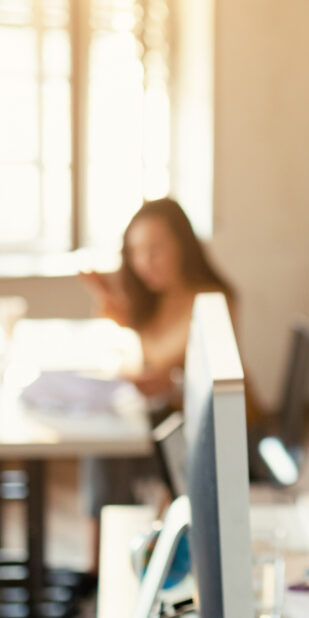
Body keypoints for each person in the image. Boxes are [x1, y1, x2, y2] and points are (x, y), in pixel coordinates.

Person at [78, 198, 250, 585]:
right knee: (104, 446)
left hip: (214, 436)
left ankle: (105, 571)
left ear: (183, 246)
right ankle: (101, 568)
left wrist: (164, 380)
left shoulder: (212, 301)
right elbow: (149, 354)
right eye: (137, 251)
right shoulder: (154, 299)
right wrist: (112, 308)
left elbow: (190, 375)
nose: (145, 262)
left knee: (107, 451)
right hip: (168, 423)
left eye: (156, 249)